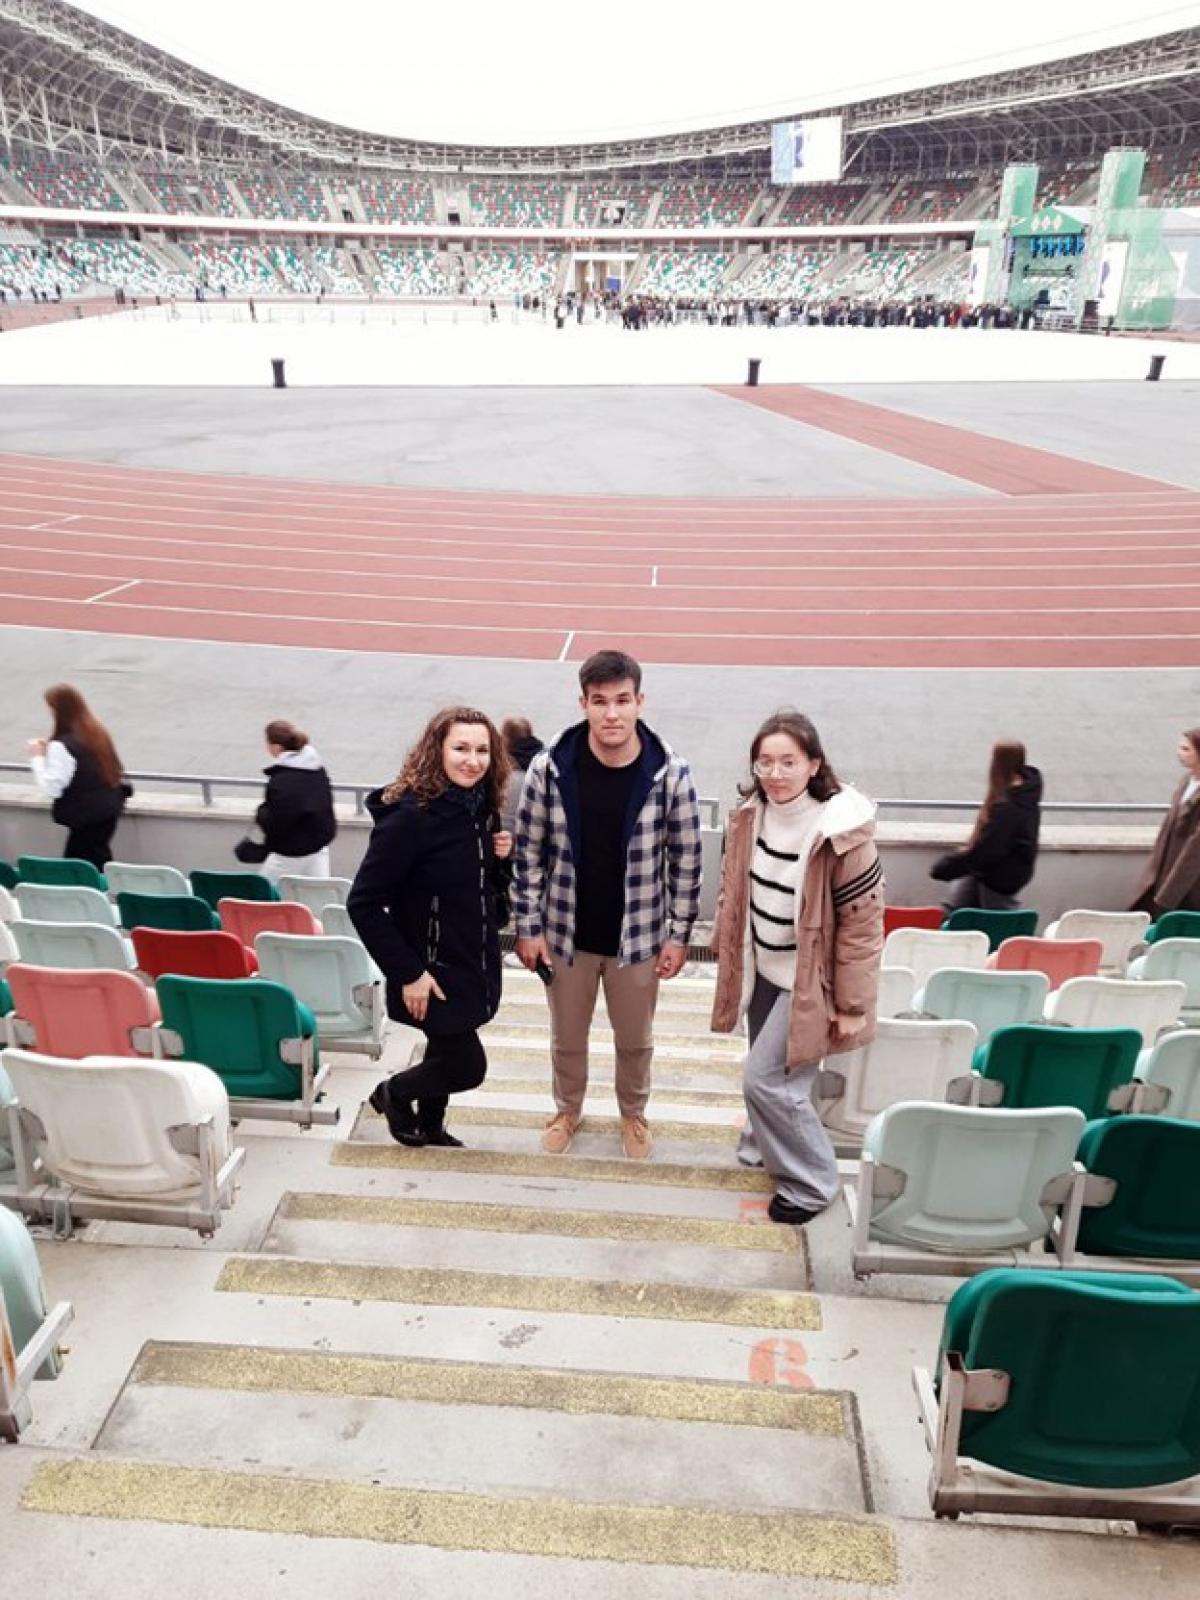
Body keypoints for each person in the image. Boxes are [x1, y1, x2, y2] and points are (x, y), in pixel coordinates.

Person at [513, 649, 702, 1160]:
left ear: (640, 701)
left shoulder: (671, 772)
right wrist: (528, 926)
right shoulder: (549, 769)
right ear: (584, 704)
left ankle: (633, 1114)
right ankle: (567, 1110)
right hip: (565, 935)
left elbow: (686, 861)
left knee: (635, 1041)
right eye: (600, 701)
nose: (612, 713)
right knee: (567, 1038)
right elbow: (528, 853)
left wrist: (679, 935)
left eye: (622, 700)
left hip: (638, 939)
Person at [710, 711, 884, 1225]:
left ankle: (812, 1183)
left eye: (788, 762)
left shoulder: (842, 833)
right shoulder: (750, 817)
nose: (775, 773)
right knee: (777, 1076)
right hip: (762, 967)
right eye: (764, 762)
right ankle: (764, 1144)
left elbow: (862, 926)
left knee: (765, 1081)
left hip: (807, 981)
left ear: (814, 764)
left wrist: (852, 1004)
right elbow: (732, 889)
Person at [348, 707, 512, 1147]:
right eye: (461, 748)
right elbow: (363, 904)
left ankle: (431, 1126)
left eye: (482, 750)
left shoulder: (480, 808)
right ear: (436, 750)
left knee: (444, 1045)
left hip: (470, 959)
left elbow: (485, 894)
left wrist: (501, 860)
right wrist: (409, 973)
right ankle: (392, 1094)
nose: (472, 761)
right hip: (430, 969)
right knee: (466, 1067)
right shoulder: (410, 819)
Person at [26, 684, 130, 869]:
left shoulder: (62, 745)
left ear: (57, 710)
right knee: (97, 858)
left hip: (86, 816)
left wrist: (37, 758)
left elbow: (52, 788)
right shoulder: (96, 732)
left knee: (80, 866)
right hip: (108, 809)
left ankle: (97, 887)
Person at [929, 741, 1042, 911]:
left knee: (998, 919)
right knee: (953, 909)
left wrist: (946, 868)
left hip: (1000, 876)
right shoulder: (1025, 794)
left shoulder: (1009, 808)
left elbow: (988, 849)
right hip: (991, 872)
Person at [246, 720, 337, 883]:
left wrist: (261, 813)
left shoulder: (282, 780)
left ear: (276, 747)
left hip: (291, 850)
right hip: (318, 844)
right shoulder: (316, 769)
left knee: (262, 890)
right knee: (317, 892)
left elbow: (278, 820)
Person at [1131, 728, 1200, 916]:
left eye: (1186, 749)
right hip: (1165, 871)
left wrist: (1169, 895)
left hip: (1189, 886)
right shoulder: (1186, 782)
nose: (1179, 753)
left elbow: (1195, 851)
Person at [499, 716, 544, 835]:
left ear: (505, 739)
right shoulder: (544, 766)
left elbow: (504, 821)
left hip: (510, 838)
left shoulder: (507, 777)